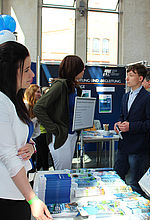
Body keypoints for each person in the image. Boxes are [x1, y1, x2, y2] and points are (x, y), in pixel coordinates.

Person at [0, 41, 52, 219]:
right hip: (7, 193)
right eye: (26, 70)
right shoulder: (1, 102)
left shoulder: (14, 99)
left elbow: (21, 138)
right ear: (9, 71)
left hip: (19, 189)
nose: (32, 74)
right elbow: (7, 155)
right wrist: (32, 199)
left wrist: (32, 147)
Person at [114, 64, 150, 194]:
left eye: (131, 75)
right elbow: (124, 117)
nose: (127, 78)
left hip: (138, 148)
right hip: (123, 146)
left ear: (140, 78)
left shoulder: (149, 98)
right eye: (127, 75)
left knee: (135, 183)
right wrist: (119, 124)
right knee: (118, 178)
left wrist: (131, 126)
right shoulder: (125, 97)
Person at [34, 55, 85, 170]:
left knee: (66, 171)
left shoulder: (75, 88)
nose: (84, 70)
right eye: (82, 68)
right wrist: (54, 129)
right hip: (62, 137)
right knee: (62, 173)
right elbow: (38, 108)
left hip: (72, 135)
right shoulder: (60, 85)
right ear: (74, 69)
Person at [24, 84, 50, 171]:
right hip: (24, 142)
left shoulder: (36, 107)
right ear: (32, 93)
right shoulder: (24, 106)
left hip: (32, 139)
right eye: (38, 92)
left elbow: (36, 130)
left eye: (40, 92)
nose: (40, 94)